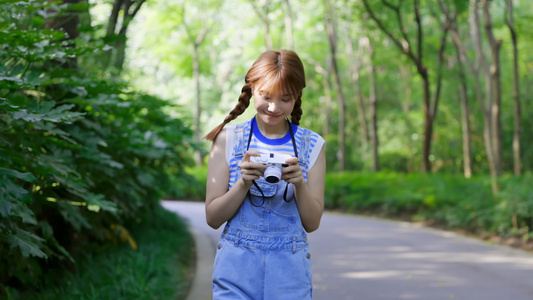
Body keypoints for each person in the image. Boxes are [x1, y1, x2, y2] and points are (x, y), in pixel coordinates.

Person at [204, 49, 326, 300]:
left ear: (297, 97)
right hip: (236, 270)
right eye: (265, 96)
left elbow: (312, 224)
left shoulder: (311, 145)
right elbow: (213, 218)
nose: (273, 107)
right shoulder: (227, 140)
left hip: (290, 274)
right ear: (251, 89)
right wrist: (243, 183)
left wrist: (299, 184)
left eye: (285, 99)